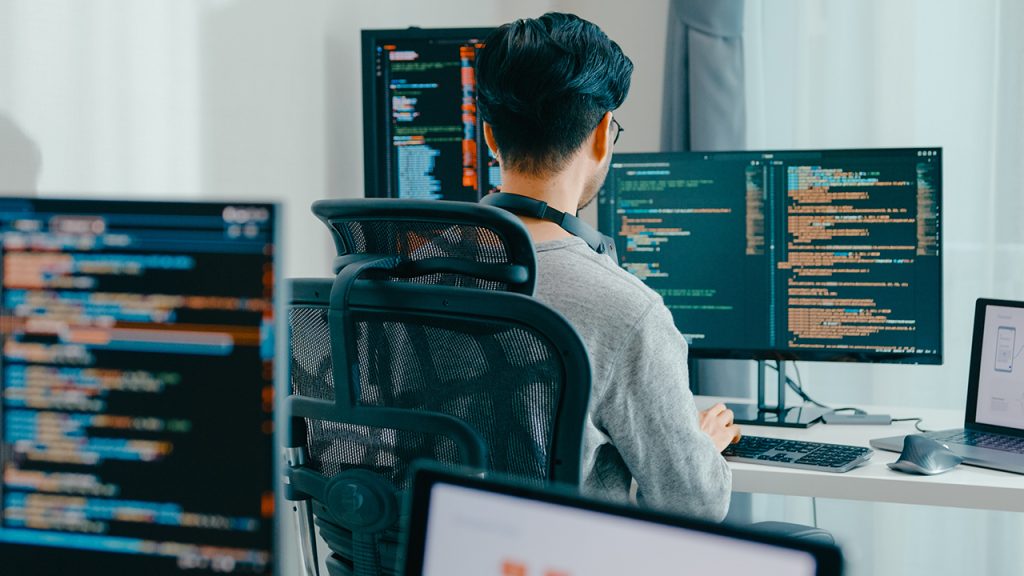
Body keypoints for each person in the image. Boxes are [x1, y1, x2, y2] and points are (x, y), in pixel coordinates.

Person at [476, 12, 741, 521]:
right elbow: (696, 505)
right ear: (602, 135)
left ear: (490, 137)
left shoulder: (399, 270)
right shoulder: (626, 310)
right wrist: (699, 443)